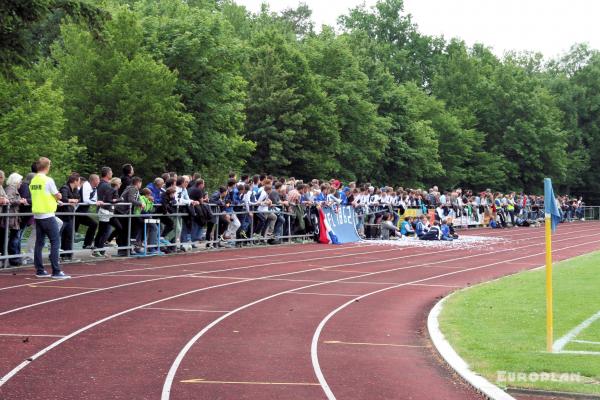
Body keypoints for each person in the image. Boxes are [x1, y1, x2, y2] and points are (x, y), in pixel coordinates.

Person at [29, 157, 70, 279]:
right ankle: (56, 271)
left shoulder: (33, 180)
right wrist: (59, 197)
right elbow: (57, 195)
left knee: (39, 243)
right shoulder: (48, 180)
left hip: (37, 214)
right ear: (47, 166)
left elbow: (42, 195)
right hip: (47, 214)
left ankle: (40, 270)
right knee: (55, 241)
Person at [3, 173, 28, 265]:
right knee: (14, 237)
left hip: (14, 216)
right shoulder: (10, 188)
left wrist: (22, 201)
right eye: (20, 181)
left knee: (15, 236)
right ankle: (13, 259)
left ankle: (15, 258)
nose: (21, 183)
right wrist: (20, 201)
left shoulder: (13, 189)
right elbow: (9, 200)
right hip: (11, 217)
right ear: (16, 181)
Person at [58, 173, 81, 261]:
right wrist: (70, 200)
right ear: (75, 181)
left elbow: (78, 198)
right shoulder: (65, 187)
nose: (79, 183)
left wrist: (73, 200)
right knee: (59, 235)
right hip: (62, 215)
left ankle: (67, 255)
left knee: (70, 235)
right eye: (78, 181)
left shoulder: (75, 189)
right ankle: (57, 255)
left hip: (70, 215)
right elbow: (63, 198)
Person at [77, 174, 101, 249]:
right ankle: (64, 252)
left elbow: (94, 199)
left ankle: (87, 244)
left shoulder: (94, 188)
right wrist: (95, 203)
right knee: (71, 230)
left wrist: (96, 202)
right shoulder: (86, 185)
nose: (99, 181)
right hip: (76, 211)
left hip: (82, 212)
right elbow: (85, 200)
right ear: (93, 180)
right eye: (98, 180)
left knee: (93, 224)